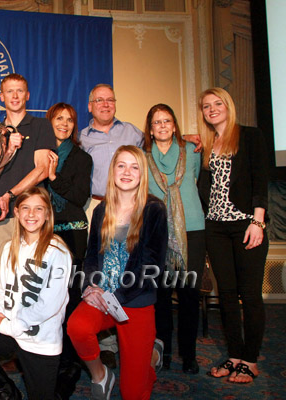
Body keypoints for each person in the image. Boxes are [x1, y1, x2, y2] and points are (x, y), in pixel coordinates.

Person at [67, 145, 168, 400]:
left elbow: (152, 267)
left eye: (134, 167)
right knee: (77, 327)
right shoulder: (101, 210)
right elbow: (90, 256)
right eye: (121, 165)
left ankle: (152, 356)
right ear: (112, 171)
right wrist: (90, 287)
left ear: (142, 174)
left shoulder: (154, 209)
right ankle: (101, 375)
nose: (127, 172)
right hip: (103, 296)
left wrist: (116, 298)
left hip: (135, 300)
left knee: (133, 393)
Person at [0, 187, 71, 400]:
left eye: (39, 209)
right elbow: (4, 289)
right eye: (25, 208)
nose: (31, 214)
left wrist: (7, 325)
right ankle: (8, 393)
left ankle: (67, 380)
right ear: (16, 213)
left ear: (47, 214)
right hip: (11, 329)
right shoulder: (10, 247)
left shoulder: (58, 251)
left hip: (40, 339)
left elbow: (49, 306)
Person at [197, 88, 269, 384]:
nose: (212, 109)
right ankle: (235, 355)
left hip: (246, 225)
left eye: (217, 103)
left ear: (229, 105)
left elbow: (259, 179)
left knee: (249, 294)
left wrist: (258, 221)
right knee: (225, 295)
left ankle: (250, 360)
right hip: (215, 227)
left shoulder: (250, 136)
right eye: (205, 106)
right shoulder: (207, 145)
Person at [78, 83, 143, 368]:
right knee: (102, 266)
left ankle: (131, 333)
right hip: (96, 205)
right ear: (90, 106)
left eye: (110, 100)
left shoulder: (132, 133)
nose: (105, 104)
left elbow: (160, 143)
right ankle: (107, 342)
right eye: (99, 101)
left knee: (129, 266)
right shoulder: (81, 137)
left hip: (130, 206)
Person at [143, 104, 206, 374]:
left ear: (175, 125)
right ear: (150, 129)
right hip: (158, 231)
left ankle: (189, 355)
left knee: (190, 294)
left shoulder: (192, 151)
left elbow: (197, 180)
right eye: (157, 122)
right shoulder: (144, 156)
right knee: (162, 296)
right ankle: (164, 351)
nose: (162, 126)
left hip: (192, 229)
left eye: (167, 121)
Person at [0, 73, 55, 277]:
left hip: (33, 213)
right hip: (1, 214)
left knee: (35, 277)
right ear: (1, 96)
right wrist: (7, 153)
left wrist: (10, 194)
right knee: (4, 277)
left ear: (27, 95)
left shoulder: (41, 126)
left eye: (20, 91)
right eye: (9, 91)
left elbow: (41, 169)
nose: (15, 96)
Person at [45, 103, 92, 399]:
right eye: (58, 119)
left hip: (72, 234)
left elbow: (78, 195)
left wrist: (52, 177)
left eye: (70, 120)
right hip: (44, 232)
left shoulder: (81, 157)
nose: (64, 124)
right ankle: (51, 355)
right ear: (49, 122)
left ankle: (71, 363)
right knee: (48, 297)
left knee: (72, 299)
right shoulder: (39, 154)